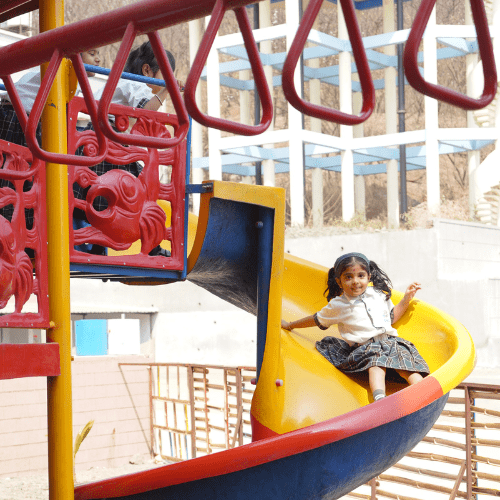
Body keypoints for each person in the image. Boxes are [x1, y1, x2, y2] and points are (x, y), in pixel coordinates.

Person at [74, 41, 180, 257]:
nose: (169, 80)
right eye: (167, 75)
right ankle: (151, 246)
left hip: (102, 140)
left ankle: (99, 245)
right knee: (138, 191)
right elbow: (146, 111)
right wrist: (167, 91)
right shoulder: (135, 84)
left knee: (103, 193)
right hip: (109, 143)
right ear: (147, 70)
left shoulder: (121, 82)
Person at [281, 252, 430, 402]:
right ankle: (380, 399)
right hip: (366, 348)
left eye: (361, 276)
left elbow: (391, 318)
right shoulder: (339, 305)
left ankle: (425, 392)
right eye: (348, 277)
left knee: (405, 365)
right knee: (376, 364)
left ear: (368, 277)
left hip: (390, 342)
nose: (355, 281)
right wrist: (290, 325)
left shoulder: (377, 294)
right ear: (339, 282)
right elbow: (316, 319)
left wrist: (406, 299)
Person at [0, 49, 102, 231]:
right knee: (17, 175)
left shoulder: (69, 76)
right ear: (74, 55)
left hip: (22, 117)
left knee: (24, 176)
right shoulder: (63, 69)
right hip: (20, 118)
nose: (98, 60)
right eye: (92, 53)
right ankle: (15, 225)